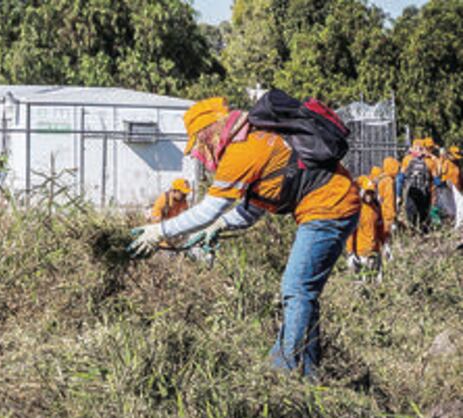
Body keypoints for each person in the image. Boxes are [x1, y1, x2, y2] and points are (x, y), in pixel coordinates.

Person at [127, 93, 360, 378]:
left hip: (330, 207)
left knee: (296, 288)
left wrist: (158, 232)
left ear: (210, 134)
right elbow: (254, 209)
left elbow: (209, 209)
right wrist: (219, 227)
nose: (200, 155)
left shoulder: (242, 151)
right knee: (301, 291)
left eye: (199, 145)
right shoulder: (255, 139)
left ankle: (287, 372)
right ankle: (306, 369)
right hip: (332, 205)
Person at [345, 177, 386, 281]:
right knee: (363, 281)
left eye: (371, 193)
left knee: (376, 281)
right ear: (362, 193)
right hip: (361, 252)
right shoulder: (357, 210)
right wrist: (350, 252)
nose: (369, 196)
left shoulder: (376, 208)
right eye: (367, 193)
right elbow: (351, 232)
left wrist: (385, 244)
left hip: (374, 250)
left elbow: (380, 228)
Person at [400, 139, 437, 233]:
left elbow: (401, 176)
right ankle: (423, 230)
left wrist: (399, 193)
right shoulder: (429, 161)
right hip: (425, 191)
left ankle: (412, 230)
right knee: (423, 213)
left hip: (411, 191)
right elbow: (435, 179)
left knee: (411, 212)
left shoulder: (407, 159)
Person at [376, 157, 399, 259]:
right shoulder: (389, 181)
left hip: (380, 211)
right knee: (387, 236)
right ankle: (388, 256)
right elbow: (389, 200)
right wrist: (391, 217)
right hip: (386, 213)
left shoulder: (381, 179)